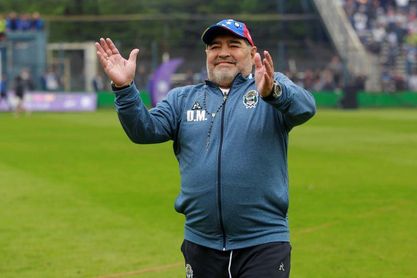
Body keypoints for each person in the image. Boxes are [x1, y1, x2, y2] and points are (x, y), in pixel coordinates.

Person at [96, 19, 316, 277]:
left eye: (234, 45)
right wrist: (124, 88)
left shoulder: (270, 87)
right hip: (202, 243)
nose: (223, 52)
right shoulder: (182, 99)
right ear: (207, 55)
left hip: (263, 242)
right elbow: (144, 131)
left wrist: (273, 92)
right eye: (214, 47)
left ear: (252, 53)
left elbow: (305, 108)